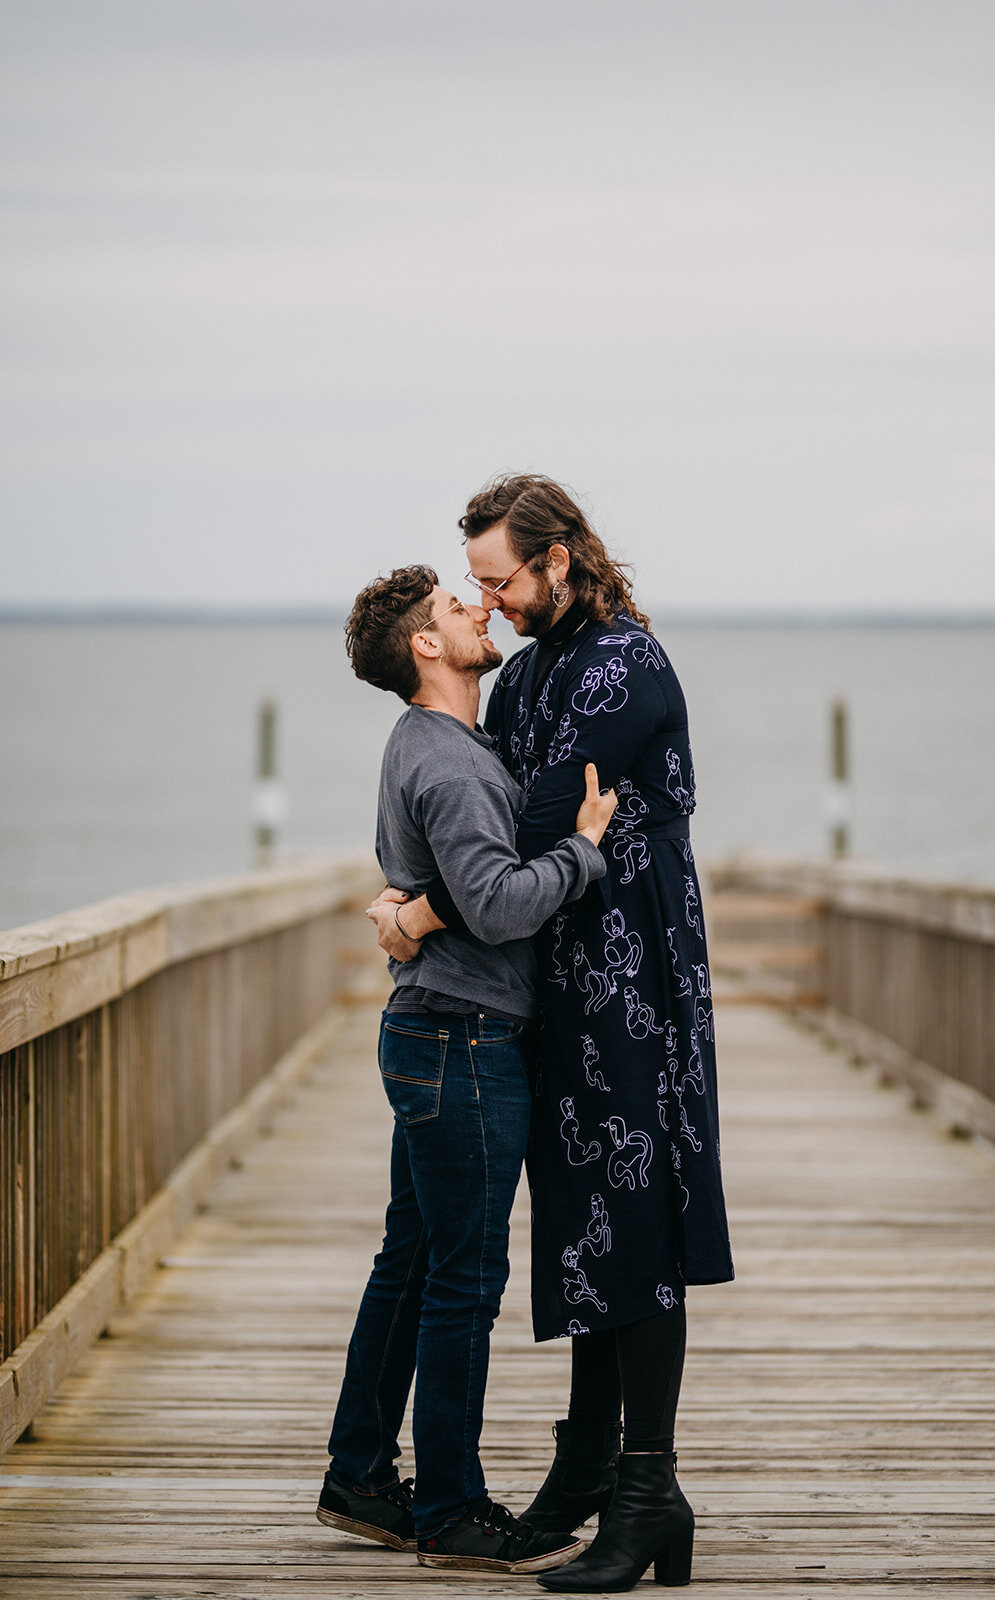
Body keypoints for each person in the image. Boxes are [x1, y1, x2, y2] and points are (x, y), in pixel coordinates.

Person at [368, 475, 734, 1593]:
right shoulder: (527, 670)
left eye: (501, 580)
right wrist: (426, 885)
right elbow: (478, 804)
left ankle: (646, 1486)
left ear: (560, 556)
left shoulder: (626, 663)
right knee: (583, 1220)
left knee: (641, 1215)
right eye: (476, 586)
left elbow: (532, 817)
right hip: (558, 975)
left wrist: (418, 909)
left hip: (633, 967)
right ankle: (586, 1465)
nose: (496, 601)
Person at [317, 564, 618, 1577]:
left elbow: (441, 886)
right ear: (425, 648)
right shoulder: (444, 758)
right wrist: (582, 851)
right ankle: (449, 1507)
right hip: (463, 1041)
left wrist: (407, 912)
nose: (478, 607)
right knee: (462, 1281)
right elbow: (490, 902)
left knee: (411, 1263)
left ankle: (358, 1474)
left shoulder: (439, 743)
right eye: (457, 606)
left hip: (435, 1030)